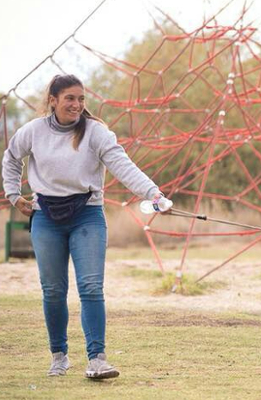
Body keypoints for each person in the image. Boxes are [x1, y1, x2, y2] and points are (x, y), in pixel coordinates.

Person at [2, 74, 169, 379]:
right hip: (45, 217)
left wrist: (154, 193)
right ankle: (59, 356)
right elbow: (11, 158)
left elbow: (123, 166)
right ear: (53, 100)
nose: (77, 105)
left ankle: (97, 359)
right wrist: (13, 194)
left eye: (81, 99)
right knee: (53, 290)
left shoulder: (96, 133)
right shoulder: (33, 131)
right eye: (70, 98)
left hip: (87, 215)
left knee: (91, 287)